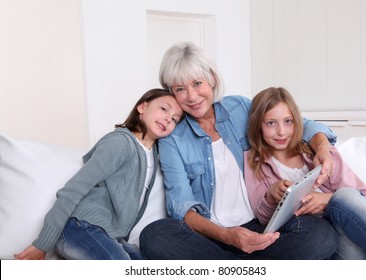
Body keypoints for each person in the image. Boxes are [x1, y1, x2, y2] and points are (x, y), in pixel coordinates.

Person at [139, 42, 339, 260]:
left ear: (212, 79)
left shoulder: (241, 108)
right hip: (211, 237)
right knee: (154, 235)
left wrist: (322, 148)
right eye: (180, 89)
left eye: (197, 83)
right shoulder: (172, 139)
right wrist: (229, 236)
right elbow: (181, 207)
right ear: (171, 93)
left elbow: (304, 125)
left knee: (322, 235)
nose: (192, 96)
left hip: (261, 225)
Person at [14, 88, 183, 260]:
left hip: (109, 236)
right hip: (81, 227)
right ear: (142, 107)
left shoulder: (153, 156)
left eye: (175, 119)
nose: (169, 118)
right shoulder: (120, 143)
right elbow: (73, 190)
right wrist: (43, 244)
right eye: (164, 109)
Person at [244, 86, 366, 259]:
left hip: (355, 217)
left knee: (345, 197)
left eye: (288, 121)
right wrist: (270, 196)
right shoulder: (254, 162)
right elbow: (264, 219)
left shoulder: (319, 153)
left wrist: (328, 200)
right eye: (271, 123)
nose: (281, 132)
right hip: (329, 233)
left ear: (297, 122)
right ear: (257, 125)